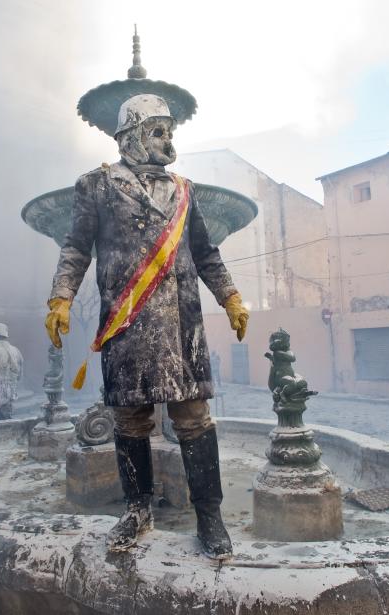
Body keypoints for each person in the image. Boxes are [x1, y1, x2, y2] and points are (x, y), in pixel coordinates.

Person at [44, 93, 249, 559]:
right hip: (127, 322)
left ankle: (209, 517)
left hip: (181, 324)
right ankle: (137, 509)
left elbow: (205, 252)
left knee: (194, 419)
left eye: (170, 131)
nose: (167, 139)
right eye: (158, 131)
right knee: (130, 420)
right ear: (131, 136)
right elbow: (75, 247)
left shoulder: (184, 189)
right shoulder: (95, 185)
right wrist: (61, 297)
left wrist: (231, 296)